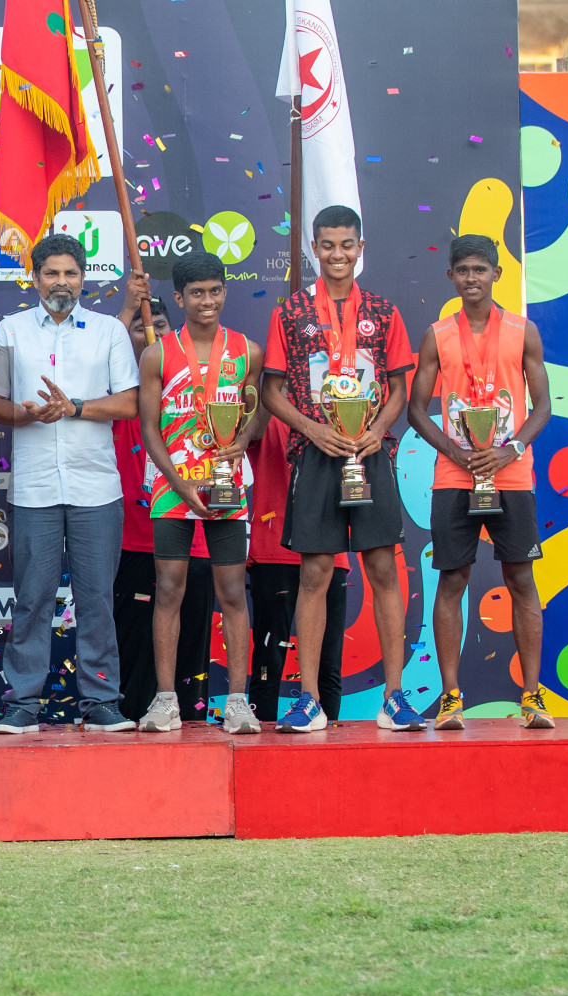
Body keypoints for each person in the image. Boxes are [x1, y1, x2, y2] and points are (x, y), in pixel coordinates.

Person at [262, 205, 422, 733]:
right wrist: (311, 429)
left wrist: (377, 430)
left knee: (382, 570)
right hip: (317, 454)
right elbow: (271, 391)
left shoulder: (383, 310)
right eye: (327, 245)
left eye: (346, 245)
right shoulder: (289, 313)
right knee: (315, 572)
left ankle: (395, 698)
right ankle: (308, 699)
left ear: (360, 246)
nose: (337, 254)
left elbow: (399, 388)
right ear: (313, 248)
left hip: (371, 455)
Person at [0, 233, 140, 734]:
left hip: (97, 488)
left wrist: (72, 407)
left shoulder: (107, 333)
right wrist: (28, 415)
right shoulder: (9, 331)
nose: (61, 282)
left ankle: (100, 702)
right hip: (34, 489)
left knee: (97, 597)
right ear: (34, 279)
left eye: (70, 273)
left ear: (83, 279)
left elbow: (129, 403)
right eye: (51, 273)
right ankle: (23, 703)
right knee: (32, 598)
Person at [407, 234, 555, 729]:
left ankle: (532, 697)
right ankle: (451, 698)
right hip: (456, 474)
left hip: (512, 473)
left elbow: (543, 407)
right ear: (450, 276)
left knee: (521, 579)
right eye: (462, 270)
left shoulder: (523, 331)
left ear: (496, 274)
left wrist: (509, 448)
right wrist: (457, 451)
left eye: (480, 269)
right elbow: (415, 410)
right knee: (453, 579)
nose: (471, 278)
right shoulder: (437, 335)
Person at [136, 253, 264, 734]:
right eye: (196, 293)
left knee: (231, 591)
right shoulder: (159, 354)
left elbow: (255, 413)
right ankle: (166, 700)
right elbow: (150, 429)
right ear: (179, 297)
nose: (206, 301)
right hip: (173, 488)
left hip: (227, 486)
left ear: (225, 292)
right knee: (169, 588)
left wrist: (243, 441)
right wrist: (177, 483)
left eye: (214, 291)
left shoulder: (247, 351)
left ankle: (236, 702)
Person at [111, 294, 217, 722]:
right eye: (141, 327)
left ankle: (192, 741)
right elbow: (108, 343)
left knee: (191, 655)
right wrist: (124, 314)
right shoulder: (114, 390)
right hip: (134, 540)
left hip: (196, 536)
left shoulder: (200, 387)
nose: (152, 333)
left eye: (160, 325)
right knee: (134, 657)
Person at [247, 416, 351, 722]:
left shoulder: (336, 410)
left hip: (329, 552)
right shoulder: (267, 411)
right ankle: (261, 753)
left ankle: (328, 742)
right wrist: (274, 384)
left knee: (328, 664)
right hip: (273, 552)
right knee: (268, 661)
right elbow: (248, 434)